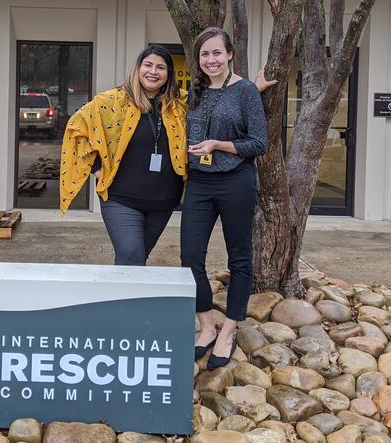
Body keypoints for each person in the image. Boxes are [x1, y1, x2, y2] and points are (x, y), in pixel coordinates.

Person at [181, 27, 268, 370]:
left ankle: (229, 329)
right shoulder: (195, 92)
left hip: (236, 181)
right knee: (190, 256)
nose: (211, 60)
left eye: (217, 53)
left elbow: (258, 143)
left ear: (230, 55)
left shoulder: (246, 91)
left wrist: (218, 144)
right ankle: (206, 326)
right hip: (200, 183)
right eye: (205, 54)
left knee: (240, 258)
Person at [60, 45, 187, 265]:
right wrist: (96, 168)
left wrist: (252, 88)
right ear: (137, 69)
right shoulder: (112, 102)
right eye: (148, 65)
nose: (153, 71)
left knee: (136, 260)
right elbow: (77, 129)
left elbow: (218, 99)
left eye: (160, 67)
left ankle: (124, 297)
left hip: (163, 201)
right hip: (121, 198)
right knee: (131, 254)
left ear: (168, 74)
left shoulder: (180, 104)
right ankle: (121, 299)